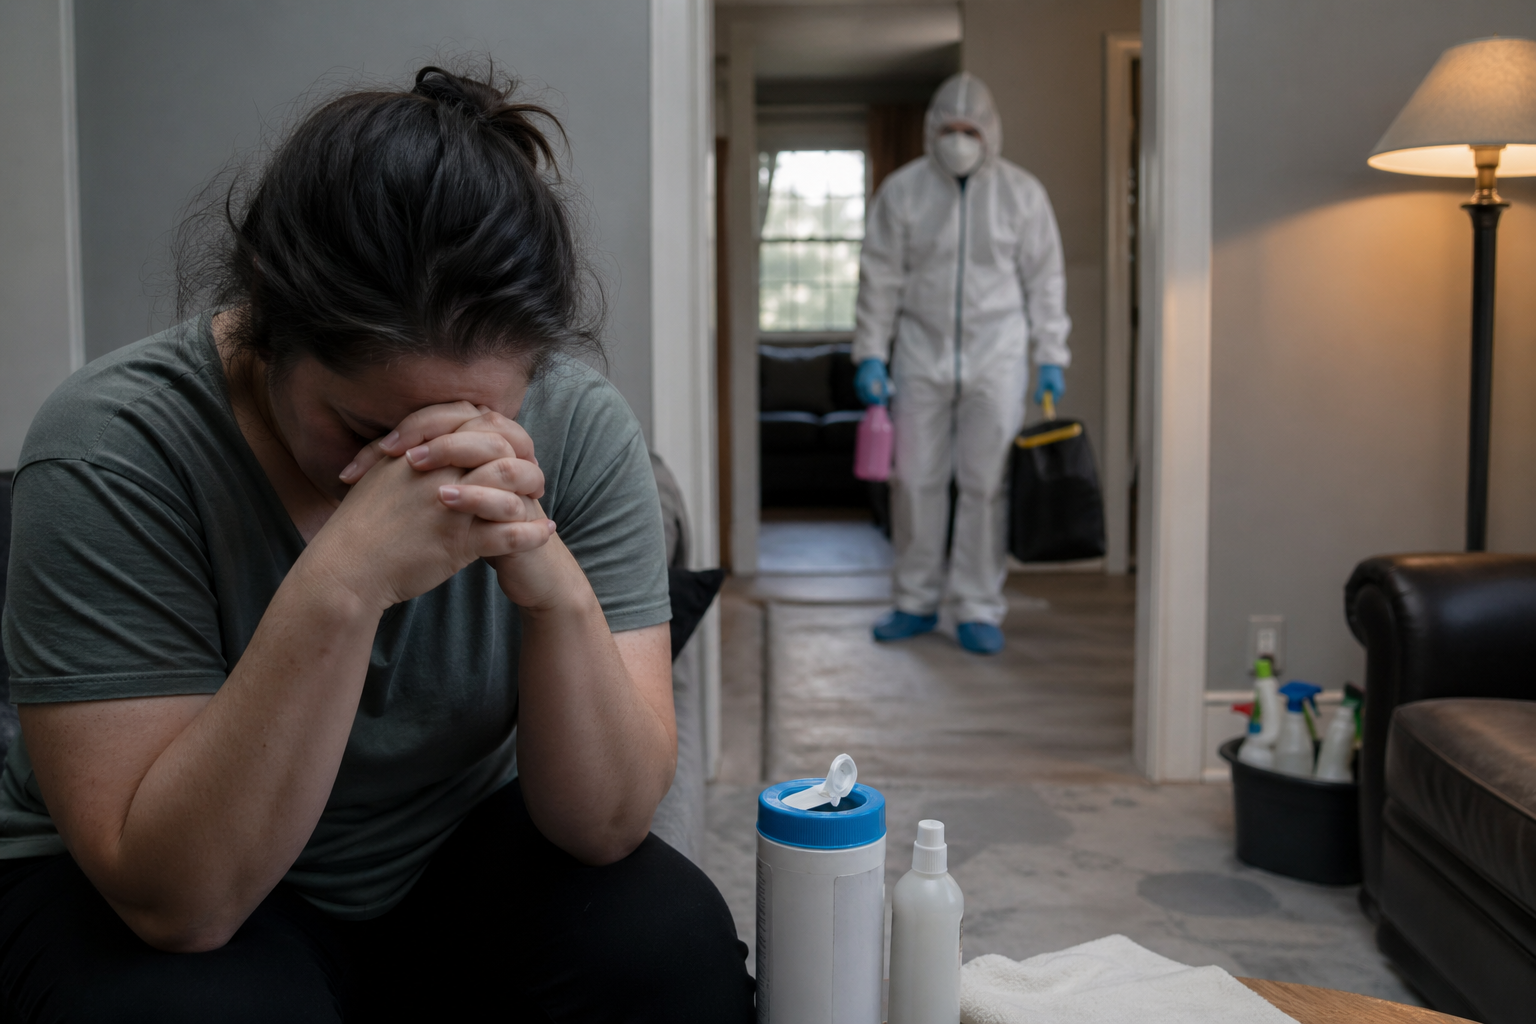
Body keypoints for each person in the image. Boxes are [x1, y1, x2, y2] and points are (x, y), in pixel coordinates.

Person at [0, 66, 755, 1022]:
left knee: (668, 945)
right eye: (366, 431)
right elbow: (179, 905)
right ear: (268, 328)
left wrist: (554, 589)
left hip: (451, 849)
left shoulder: (580, 424)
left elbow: (605, 824)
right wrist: (348, 581)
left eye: (476, 422)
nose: (418, 471)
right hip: (166, 880)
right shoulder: (111, 446)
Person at [852, 72, 1071, 656]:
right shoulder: (903, 191)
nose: (958, 140)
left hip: (998, 353)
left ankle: (977, 605)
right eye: (948, 128)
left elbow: (1045, 280)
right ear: (931, 130)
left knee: (985, 484)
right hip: (919, 353)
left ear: (989, 131)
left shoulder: (1022, 194)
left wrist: (1051, 354)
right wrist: (871, 353)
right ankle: (914, 600)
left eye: (969, 129)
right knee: (914, 480)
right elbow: (879, 278)